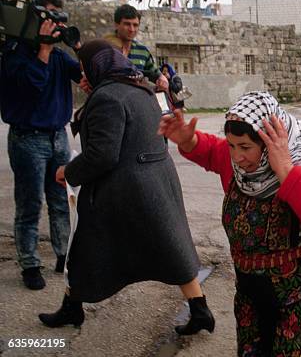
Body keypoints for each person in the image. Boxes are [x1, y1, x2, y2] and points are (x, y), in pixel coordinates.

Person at [159, 91, 301, 356]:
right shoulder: (242, 167)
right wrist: (189, 140)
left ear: (268, 140)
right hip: (252, 287)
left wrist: (285, 168)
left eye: (246, 147)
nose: (237, 157)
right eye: (232, 145)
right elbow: (214, 152)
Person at [38, 40, 214, 336]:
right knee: (172, 247)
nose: (82, 74)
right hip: (157, 180)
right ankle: (200, 309)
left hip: (125, 188)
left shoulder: (107, 97)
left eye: (84, 68)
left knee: (84, 246)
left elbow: (103, 154)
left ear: (96, 67)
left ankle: (72, 307)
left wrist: (69, 171)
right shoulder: (142, 88)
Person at [0, 0, 88, 290]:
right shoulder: (13, 53)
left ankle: (63, 254)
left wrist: (78, 48)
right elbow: (29, 85)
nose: (54, 22)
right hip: (27, 139)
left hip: (58, 137)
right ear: (34, 15)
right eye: (49, 15)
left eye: (58, 17)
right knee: (29, 204)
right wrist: (44, 49)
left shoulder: (61, 57)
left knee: (62, 202)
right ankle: (29, 263)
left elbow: (88, 79)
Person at [104, 4, 168, 92]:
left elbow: (154, 73)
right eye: (127, 24)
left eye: (135, 25)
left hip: (136, 101)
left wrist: (162, 79)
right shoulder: (104, 49)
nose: (132, 29)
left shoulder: (142, 51)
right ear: (116, 25)